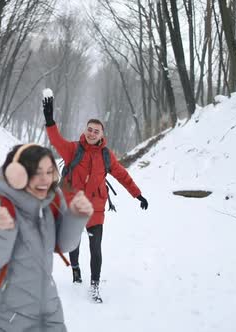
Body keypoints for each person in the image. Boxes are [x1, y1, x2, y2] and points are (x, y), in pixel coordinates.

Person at [0, 144, 94, 331]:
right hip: (5, 317)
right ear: (17, 174)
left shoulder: (51, 201)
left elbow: (64, 245)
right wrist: (4, 232)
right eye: (37, 172)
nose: (45, 180)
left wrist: (76, 217)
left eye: (49, 172)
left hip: (48, 309)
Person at [42, 96, 149, 303]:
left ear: (102, 135)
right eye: (89, 129)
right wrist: (49, 121)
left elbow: (122, 175)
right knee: (73, 242)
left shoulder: (107, 155)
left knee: (95, 248)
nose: (92, 133)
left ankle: (95, 286)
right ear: (85, 131)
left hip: (96, 208)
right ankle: (76, 271)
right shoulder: (73, 150)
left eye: (96, 131)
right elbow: (56, 140)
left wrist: (137, 194)